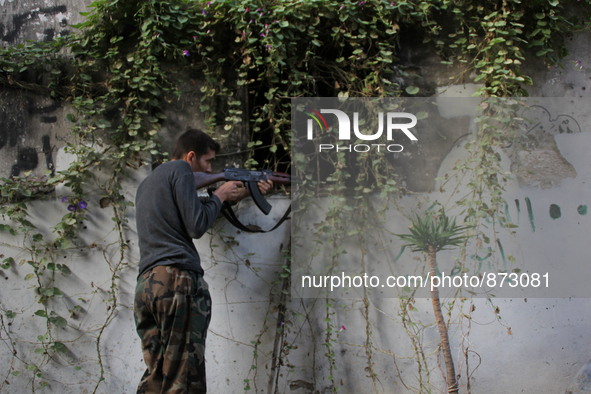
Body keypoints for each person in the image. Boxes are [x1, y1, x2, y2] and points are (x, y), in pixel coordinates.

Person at [133, 128, 272, 393]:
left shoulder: (149, 183)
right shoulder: (182, 171)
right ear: (191, 156)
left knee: (158, 375)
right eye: (208, 162)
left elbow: (191, 214)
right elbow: (196, 225)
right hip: (177, 281)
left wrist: (236, 195)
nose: (210, 169)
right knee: (185, 377)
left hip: (148, 287)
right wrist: (219, 194)